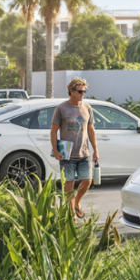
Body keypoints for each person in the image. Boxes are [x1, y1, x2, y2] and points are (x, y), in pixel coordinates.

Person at [48, 77, 100, 220]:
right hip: (67, 154)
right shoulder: (61, 108)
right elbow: (53, 131)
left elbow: (91, 130)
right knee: (69, 185)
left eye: (84, 91)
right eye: (79, 91)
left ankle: (76, 203)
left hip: (84, 153)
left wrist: (95, 150)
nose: (82, 93)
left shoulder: (87, 107)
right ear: (71, 91)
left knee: (87, 181)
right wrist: (56, 150)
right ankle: (71, 213)